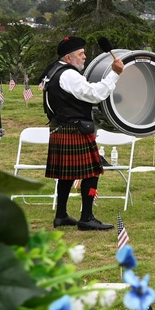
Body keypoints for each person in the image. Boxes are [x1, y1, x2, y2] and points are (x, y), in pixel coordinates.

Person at [41, 36, 124, 231]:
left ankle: (61, 215)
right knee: (92, 172)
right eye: (81, 54)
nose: (85, 57)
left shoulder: (53, 70)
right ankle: (86, 217)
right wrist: (114, 74)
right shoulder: (69, 75)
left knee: (66, 175)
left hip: (61, 127)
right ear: (68, 58)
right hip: (75, 128)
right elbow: (95, 94)